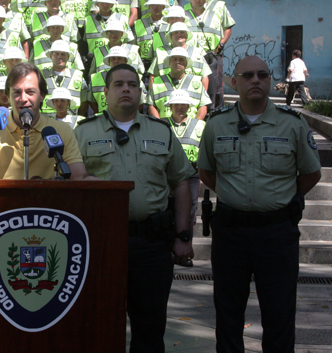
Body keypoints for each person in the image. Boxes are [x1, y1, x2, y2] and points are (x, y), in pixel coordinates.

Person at [198, 56, 321, 352]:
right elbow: (206, 172)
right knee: (228, 315)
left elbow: (311, 173)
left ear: (270, 81)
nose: (256, 80)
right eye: (248, 75)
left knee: (279, 315)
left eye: (262, 75)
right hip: (231, 232)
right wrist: (235, 196)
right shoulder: (216, 124)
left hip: (277, 232)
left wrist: (279, 200)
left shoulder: (291, 123)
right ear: (234, 82)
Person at [74, 63, 194, 353]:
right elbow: (70, 185)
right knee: (100, 326)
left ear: (141, 91)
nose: (126, 89)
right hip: (100, 244)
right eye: (118, 84)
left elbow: (181, 183)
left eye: (132, 84)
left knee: (150, 329)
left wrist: (183, 236)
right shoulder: (83, 133)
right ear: (105, 92)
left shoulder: (162, 131)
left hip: (151, 245)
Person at [0, 63, 93, 180]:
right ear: (8, 96)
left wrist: (92, 181)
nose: (23, 98)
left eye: (30, 92)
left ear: (42, 96)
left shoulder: (61, 130)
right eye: (16, 92)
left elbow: (78, 175)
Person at [164, 89, 205, 266]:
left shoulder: (200, 125)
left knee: (189, 213)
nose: (180, 107)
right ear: (170, 106)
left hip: (192, 175)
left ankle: (185, 251)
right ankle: (167, 251)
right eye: (177, 104)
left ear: (189, 106)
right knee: (167, 212)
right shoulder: (162, 125)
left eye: (183, 104)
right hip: (166, 175)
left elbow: (204, 152)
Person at [185, 0, 235, 110]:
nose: (198, 0)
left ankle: (211, 115)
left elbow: (227, 30)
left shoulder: (215, 15)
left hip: (210, 58)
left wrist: (220, 46)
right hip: (190, 59)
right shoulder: (183, 16)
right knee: (190, 87)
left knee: (213, 90)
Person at [147, 47, 211, 120]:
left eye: (181, 59)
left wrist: (194, 125)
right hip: (164, 127)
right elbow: (151, 106)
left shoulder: (197, 81)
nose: (178, 62)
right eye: (174, 59)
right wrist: (160, 125)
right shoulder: (157, 82)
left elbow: (203, 106)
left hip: (190, 127)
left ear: (186, 63)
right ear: (169, 62)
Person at [40, 40, 87, 115]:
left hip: (71, 122)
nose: (59, 57)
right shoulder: (40, 75)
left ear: (68, 57)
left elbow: (84, 103)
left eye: (63, 54)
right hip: (47, 122)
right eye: (56, 54)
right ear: (51, 56)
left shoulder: (78, 75)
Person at [134, 0, 169, 69]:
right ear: (149, 6)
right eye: (153, 5)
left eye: (158, 5)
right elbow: (134, 46)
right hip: (144, 65)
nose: (155, 7)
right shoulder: (138, 24)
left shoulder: (170, 23)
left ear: (163, 7)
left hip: (164, 64)